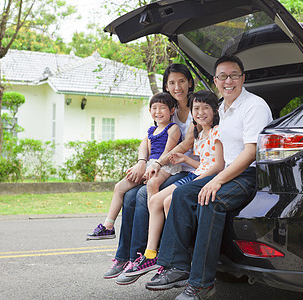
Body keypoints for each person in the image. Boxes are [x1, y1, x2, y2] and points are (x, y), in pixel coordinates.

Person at [144, 55, 273, 299]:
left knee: (210, 200)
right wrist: (211, 175)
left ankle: (202, 284)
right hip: (227, 171)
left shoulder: (254, 106)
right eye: (222, 76)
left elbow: (250, 152)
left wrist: (218, 180)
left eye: (233, 75)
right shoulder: (222, 108)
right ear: (215, 81)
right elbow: (221, 154)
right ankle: (176, 266)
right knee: (181, 194)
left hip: (249, 174)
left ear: (242, 78)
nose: (228, 80)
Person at [101, 64, 199, 285]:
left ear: (190, 82)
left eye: (182, 81)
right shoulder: (165, 108)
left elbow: (187, 143)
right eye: (172, 82)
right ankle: (124, 256)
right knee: (129, 195)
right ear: (166, 86)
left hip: (186, 168)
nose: (177, 86)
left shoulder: (197, 107)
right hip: (163, 166)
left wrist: (157, 162)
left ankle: (143, 256)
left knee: (145, 194)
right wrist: (142, 163)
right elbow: (149, 139)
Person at [121, 90, 225, 279]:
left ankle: (175, 255)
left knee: (169, 201)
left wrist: (199, 176)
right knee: (155, 202)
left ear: (216, 111)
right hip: (196, 173)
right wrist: (185, 158)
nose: (200, 112)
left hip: (203, 178)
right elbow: (203, 163)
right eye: (196, 108)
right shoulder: (199, 135)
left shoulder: (218, 132)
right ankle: (151, 254)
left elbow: (218, 165)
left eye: (205, 108)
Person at [86, 92, 182, 240]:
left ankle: (154, 228)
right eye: (154, 108)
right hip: (150, 164)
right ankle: (108, 226)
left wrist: (153, 167)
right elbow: (148, 152)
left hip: (166, 165)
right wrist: (142, 166)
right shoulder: (151, 130)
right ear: (150, 111)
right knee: (120, 187)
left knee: (152, 183)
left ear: (172, 110)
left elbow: (168, 153)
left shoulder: (173, 128)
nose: (158, 112)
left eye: (162, 108)